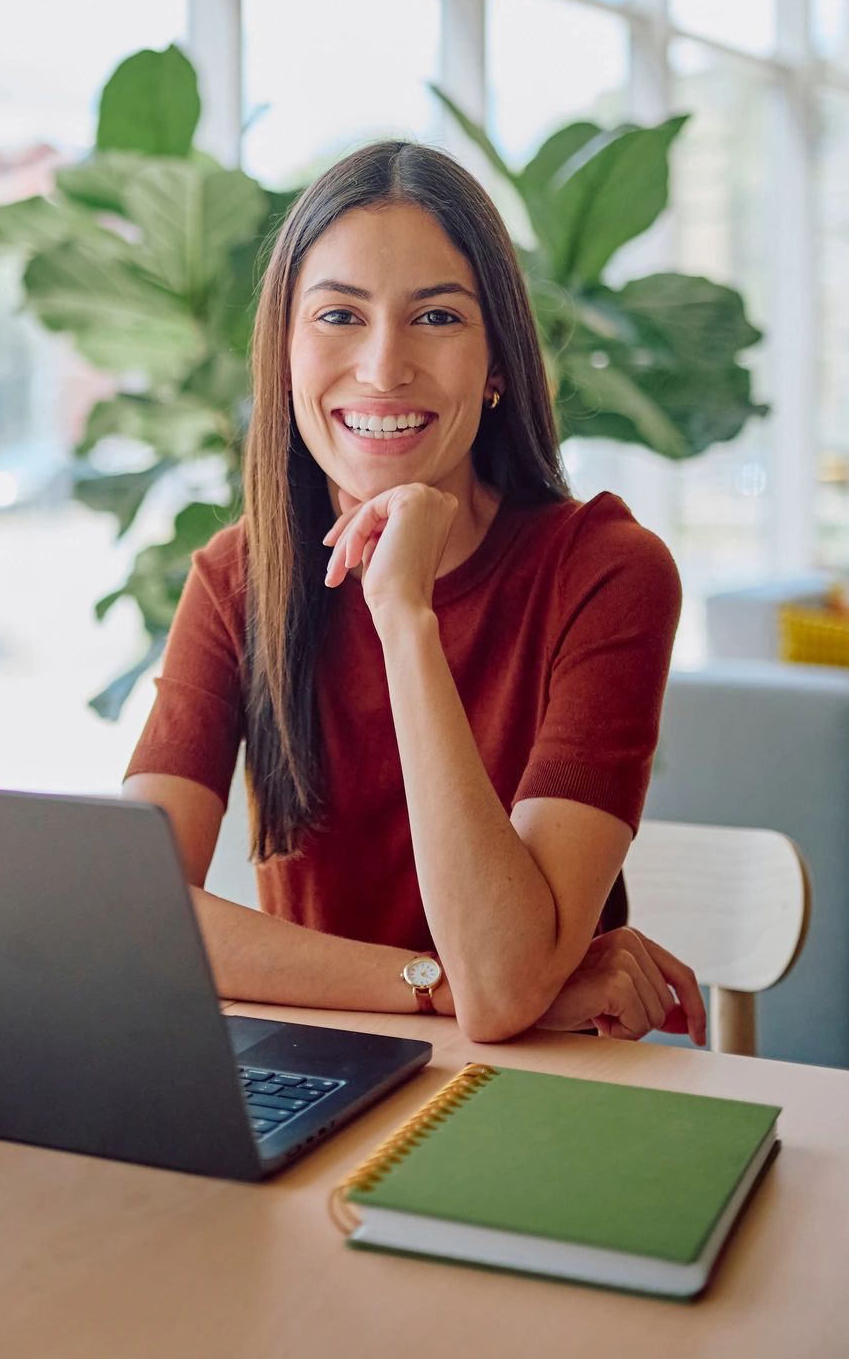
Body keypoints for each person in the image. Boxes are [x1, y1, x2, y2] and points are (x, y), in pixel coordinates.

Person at [124, 139, 707, 1047]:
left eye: (436, 316)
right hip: (332, 1058)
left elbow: (507, 981)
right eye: (339, 316)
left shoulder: (607, 571)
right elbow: (130, 913)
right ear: (284, 354)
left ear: (499, 365)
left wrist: (404, 616)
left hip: (554, 1087)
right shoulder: (237, 578)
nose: (385, 367)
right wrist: (432, 986)